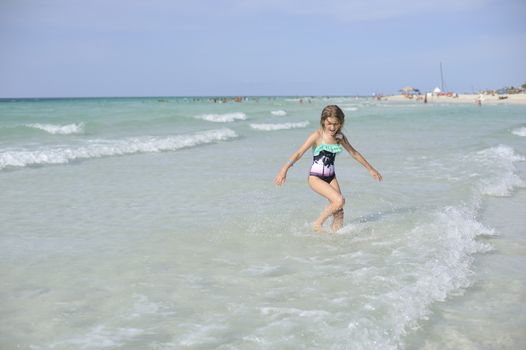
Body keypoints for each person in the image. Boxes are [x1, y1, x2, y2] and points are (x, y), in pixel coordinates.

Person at [274, 105, 382, 233]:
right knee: (339, 200)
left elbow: (354, 153)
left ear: (340, 123)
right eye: (329, 123)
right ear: (323, 121)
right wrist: (284, 170)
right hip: (315, 177)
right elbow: (299, 153)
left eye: (336, 124)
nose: (332, 127)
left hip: (331, 177)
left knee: (339, 212)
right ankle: (317, 224)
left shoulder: (339, 138)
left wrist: (371, 169)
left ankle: (335, 239)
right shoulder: (317, 135)